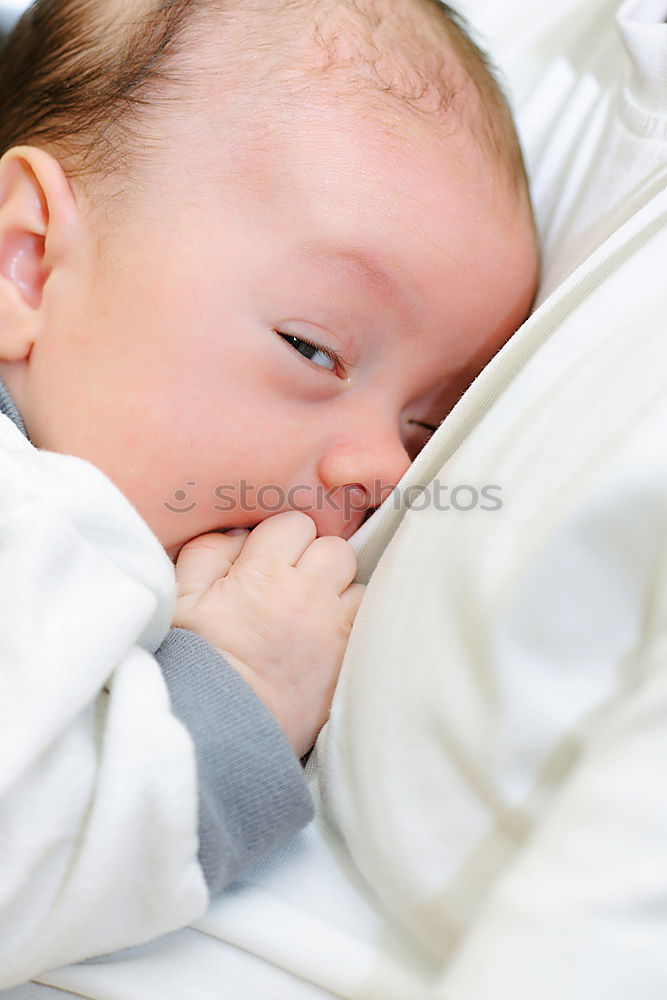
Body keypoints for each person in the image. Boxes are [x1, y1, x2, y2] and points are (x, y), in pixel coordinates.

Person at [0, 0, 539, 987]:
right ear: (26, 263)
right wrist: (235, 697)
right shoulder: (36, 517)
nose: (382, 468)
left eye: (426, 424)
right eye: (313, 345)